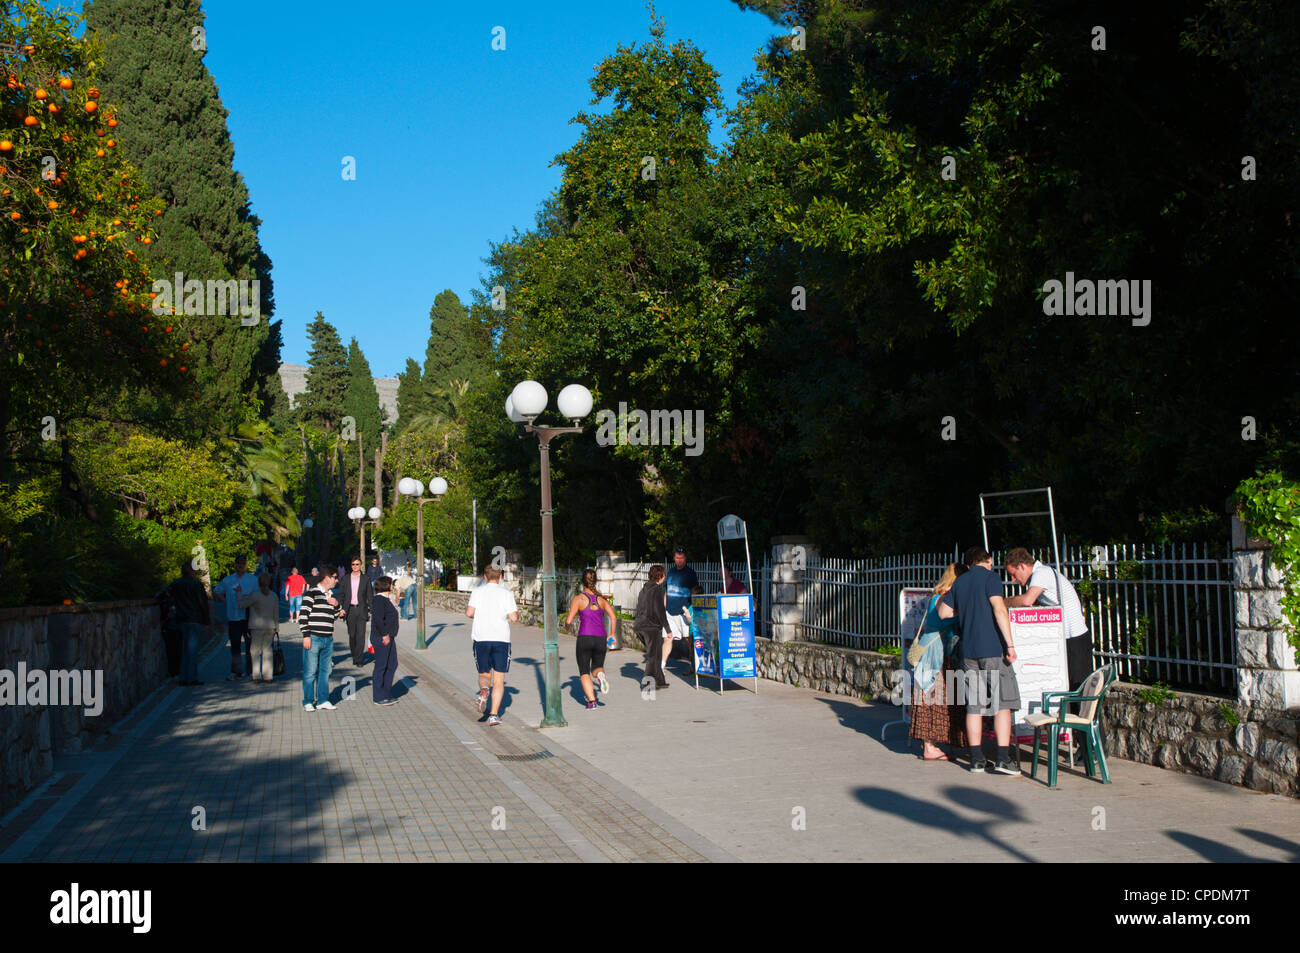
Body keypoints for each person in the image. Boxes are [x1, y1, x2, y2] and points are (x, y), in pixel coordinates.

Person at [938, 546, 1021, 776]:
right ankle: (1003, 759)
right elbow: (999, 609)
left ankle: (976, 759)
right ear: (989, 560)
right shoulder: (991, 578)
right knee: (1001, 705)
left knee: (973, 707)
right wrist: (1010, 645)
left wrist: (965, 611)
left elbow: (943, 612)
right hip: (993, 649)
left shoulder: (960, 582)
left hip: (969, 652)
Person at [1003, 547, 1093, 757]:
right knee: (1073, 693)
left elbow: (1027, 601)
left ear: (1022, 566)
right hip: (1067, 639)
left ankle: (1092, 749)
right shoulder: (1041, 574)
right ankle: (1085, 747)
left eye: (1014, 575)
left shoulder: (1041, 573)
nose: (1014, 580)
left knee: (1080, 693)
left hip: (1075, 639)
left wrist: (1003, 603)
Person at [908, 563, 969, 760]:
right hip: (936, 653)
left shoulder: (937, 595)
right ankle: (929, 746)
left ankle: (931, 744)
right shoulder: (946, 597)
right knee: (932, 698)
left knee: (934, 697)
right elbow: (948, 619)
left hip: (934, 649)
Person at [466, 565, 519, 727]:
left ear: (485, 576)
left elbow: (469, 613)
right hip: (501, 639)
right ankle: (494, 715)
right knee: (499, 679)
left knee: (484, 674)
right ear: (501, 576)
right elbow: (514, 617)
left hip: (481, 638)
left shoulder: (477, 591)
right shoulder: (506, 593)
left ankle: (484, 690)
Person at [565, 569, 619, 710]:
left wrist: (566, 628)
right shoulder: (601, 599)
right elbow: (613, 617)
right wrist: (612, 634)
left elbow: (569, 620)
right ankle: (600, 676)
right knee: (597, 667)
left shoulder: (578, 599)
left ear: (582, 581)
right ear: (595, 581)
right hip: (601, 638)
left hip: (585, 638)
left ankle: (592, 701)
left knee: (584, 671)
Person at [300, 568, 340, 711]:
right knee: (310, 671)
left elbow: (335, 616)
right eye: (335, 577)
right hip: (314, 637)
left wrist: (336, 605)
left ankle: (323, 699)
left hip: (328, 638)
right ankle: (308, 701)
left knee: (325, 670)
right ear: (327, 578)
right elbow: (303, 615)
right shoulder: (311, 593)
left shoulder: (331, 595)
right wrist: (306, 635)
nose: (337, 580)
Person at [167, 561, 212, 686]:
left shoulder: (176, 583)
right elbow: (203, 603)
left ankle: (183, 676)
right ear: (192, 571)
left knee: (184, 649)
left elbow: (165, 594)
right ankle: (191, 678)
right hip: (194, 619)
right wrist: (206, 620)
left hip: (181, 619)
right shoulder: (196, 584)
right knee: (192, 650)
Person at [213, 555, 255, 680]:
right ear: (235, 565)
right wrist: (225, 601)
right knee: (235, 646)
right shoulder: (228, 580)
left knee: (249, 646)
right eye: (238, 563)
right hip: (233, 617)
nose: (241, 566)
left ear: (246, 565)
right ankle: (236, 671)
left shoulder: (252, 579)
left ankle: (250, 671)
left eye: (243, 563)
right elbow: (216, 591)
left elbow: (258, 595)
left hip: (248, 617)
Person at [237, 572, 280, 684]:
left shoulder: (255, 595)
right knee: (267, 651)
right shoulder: (274, 595)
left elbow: (242, 605)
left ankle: (256, 676)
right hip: (270, 626)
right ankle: (268, 676)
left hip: (256, 626)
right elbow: (276, 613)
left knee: (255, 651)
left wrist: (239, 594)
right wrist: (277, 628)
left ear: (259, 582)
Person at [634, 565, 671, 691]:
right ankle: (648, 684)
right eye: (664, 574)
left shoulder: (644, 589)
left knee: (657, 654)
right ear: (660, 576)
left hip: (639, 625)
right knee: (652, 656)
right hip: (651, 627)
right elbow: (660, 611)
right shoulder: (658, 589)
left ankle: (660, 681)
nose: (665, 577)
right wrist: (668, 629)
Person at [663, 546, 698, 672]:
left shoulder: (690, 574)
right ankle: (661, 666)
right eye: (677, 558)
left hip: (685, 612)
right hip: (670, 611)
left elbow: (695, 592)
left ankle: (694, 665)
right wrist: (664, 607)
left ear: (685, 558)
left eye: (682, 558)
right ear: (674, 558)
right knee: (668, 638)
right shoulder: (670, 572)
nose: (679, 560)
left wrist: (693, 611)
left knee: (689, 639)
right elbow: (666, 591)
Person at [370, 576, 401, 705]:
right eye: (391, 584)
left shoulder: (385, 599)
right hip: (382, 637)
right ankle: (378, 696)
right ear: (386, 585)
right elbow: (378, 619)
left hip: (389, 636)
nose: (393, 587)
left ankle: (386, 693)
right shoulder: (378, 600)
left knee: (392, 664)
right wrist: (384, 634)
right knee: (381, 666)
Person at [339, 557, 373, 667]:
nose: (355, 566)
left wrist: (372, 611)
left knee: (361, 635)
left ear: (361, 565)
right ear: (351, 565)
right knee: (352, 635)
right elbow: (341, 594)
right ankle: (354, 654)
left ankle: (359, 659)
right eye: (353, 564)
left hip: (361, 609)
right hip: (350, 610)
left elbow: (370, 596)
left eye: (357, 564)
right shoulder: (345, 578)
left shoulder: (366, 579)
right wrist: (341, 608)